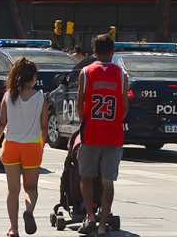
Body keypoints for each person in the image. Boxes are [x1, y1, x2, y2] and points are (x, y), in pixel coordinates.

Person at [0, 58, 49, 237]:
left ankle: (13, 229)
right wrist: (41, 145)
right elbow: (44, 127)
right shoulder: (41, 97)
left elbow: (1, 123)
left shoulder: (8, 95)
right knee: (31, 188)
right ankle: (28, 211)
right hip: (32, 146)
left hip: (11, 146)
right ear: (33, 78)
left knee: (13, 191)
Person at [76, 34, 128, 236]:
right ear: (112, 51)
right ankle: (103, 224)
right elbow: (125, 106)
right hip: (113, 135)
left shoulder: (86, 72)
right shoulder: (122, 74)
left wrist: (85, 121)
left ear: (94, 52)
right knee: (108, 181)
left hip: (91, 134)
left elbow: (80, 103)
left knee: (86, 177)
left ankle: (90, 216)